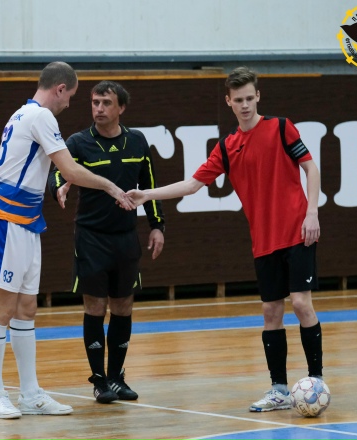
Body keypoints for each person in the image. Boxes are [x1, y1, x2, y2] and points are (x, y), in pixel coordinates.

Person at [127, 66, 323, 412]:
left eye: (250, 98)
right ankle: (278, 389)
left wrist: (312, 213)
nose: (245, 105)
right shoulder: (227, 147)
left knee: (300, 303)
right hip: (264, 240)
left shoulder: (281, 127)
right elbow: (191, 185)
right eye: (238, 100)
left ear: (257, 96)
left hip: (297, 231)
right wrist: (147, 195)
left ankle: (316, 382)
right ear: (229, 101)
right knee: (270, 311)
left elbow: (310, 167)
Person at [0, 62, 135, 419]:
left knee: (26, 309)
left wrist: (64, 184)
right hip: (5, 219)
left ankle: (30, 393)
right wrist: (111, 187)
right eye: (72, 96)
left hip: (27, 221)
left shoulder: (24, 114)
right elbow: (70, 169)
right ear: (60, 89)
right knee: (2, 308)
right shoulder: (41, 116)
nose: (70, 104)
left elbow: (54, 170)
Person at [48, 80, 165, 404]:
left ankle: (116, 377)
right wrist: (60, 187)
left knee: (123, 306)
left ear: (121, 108)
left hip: (126, 238)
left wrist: (157, 226)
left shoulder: (137, 141)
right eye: (95, 102)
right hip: (91, 238)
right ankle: (99, 380)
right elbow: (58, 172)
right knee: (95, 307)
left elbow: (150, 185)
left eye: (106, 103)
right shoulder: (78, 142)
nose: (99, 108)